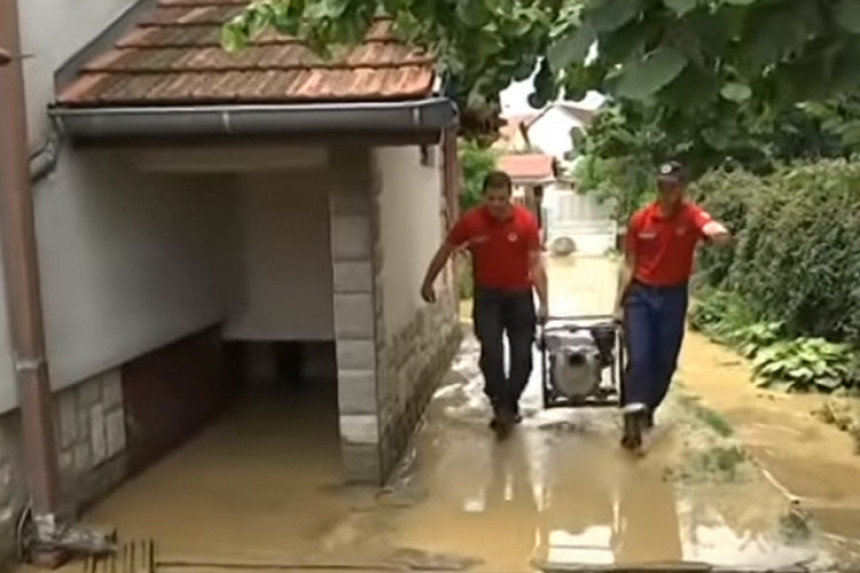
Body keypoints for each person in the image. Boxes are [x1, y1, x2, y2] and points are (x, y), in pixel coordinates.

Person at [421, 170, 548, 438]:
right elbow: (446, 250)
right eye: (491, 198)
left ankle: (510, 403)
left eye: (502, 198)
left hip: (519, 297)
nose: (497, 204)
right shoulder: (471, 222)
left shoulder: (525, 222)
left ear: (510, 195)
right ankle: (499, 404)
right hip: (488, 297)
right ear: (484, 197)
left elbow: (535, 264)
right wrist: (428, 281)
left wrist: (544, 302)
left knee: (523, 358)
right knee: (491, 351)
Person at [614, 161, 731, 450]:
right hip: (640, 295)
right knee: (639, 358)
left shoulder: (690, 215)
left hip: (672, 297)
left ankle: (647, 407)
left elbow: (709, 225)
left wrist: (718, 233)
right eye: (663, 185)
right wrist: (618, 304)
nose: (668, 192)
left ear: (682, 188)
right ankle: (632, 416)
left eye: (674, 186)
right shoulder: (641, 220)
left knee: (665, 362)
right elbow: (628, 263)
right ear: (658, 186)